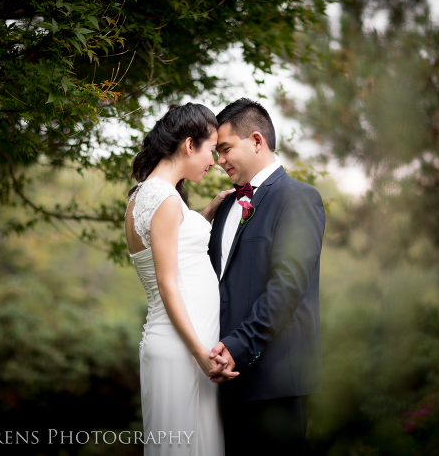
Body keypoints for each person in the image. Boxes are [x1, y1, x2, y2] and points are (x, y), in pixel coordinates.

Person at [207, 98, 325, 456]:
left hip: (276, 381)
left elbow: (287, 286)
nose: (219, 161)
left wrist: (238, 348)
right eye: (215, 152)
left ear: (256, 141)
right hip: (225, 379)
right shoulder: (226, 205)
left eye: (225, 149)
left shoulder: (299, 198)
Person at [124, 103, 236, 456]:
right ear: (189, 144)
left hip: (174, 343)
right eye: (211, 149)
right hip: (184, 347)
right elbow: (168, 283)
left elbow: (174, 241)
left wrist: (208, 212)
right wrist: (200, 354)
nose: (214, 161)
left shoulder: (145, 195)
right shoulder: (165, 200)